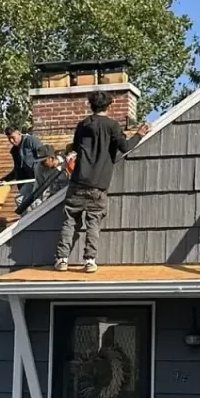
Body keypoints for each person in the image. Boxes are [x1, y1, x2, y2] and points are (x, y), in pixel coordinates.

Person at [54, 91, 150, 273]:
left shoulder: (82, 125)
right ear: (109, 105)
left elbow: (74, 147)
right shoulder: (112, 126)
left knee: (70, 221)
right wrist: (139, 134)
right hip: (98, 185)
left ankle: (62, 259)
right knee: (93, 222)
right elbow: (126, 147)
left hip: (78, 182)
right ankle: (89, 260)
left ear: (91, 105)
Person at [0, 126, 58, 211]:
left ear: (19, 133)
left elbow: (45, 155)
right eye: (9, 139)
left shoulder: (30, 141)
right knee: (20, 200)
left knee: (38, 202)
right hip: (29, 181)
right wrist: (5, 180)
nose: (11, 141)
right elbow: (16, 170)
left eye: (12, 137)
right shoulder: (14, 151)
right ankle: (28, 220)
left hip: (40, 178)